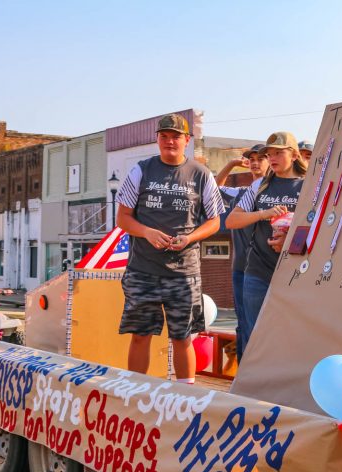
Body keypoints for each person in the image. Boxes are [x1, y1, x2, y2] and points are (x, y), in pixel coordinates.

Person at [116, 113, 224, 381]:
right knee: (140, 336)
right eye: (164, 136)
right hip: (143, 270)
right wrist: (147, 232)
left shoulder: (201, 174)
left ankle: (185, 397)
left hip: (184, 272)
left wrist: (189, 238)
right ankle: (135, 390)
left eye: (176, 136)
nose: (169, 141)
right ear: (157, 139)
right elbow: (122, 218)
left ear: (186, 140)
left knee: (183, 337)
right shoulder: (141, 170)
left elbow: (215, 222)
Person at [226, 132, 306, 353]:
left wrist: (290, 240)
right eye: (269, 154)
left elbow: (320, 226)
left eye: (278, 152)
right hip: (257, 272)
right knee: (254, 338)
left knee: (290, 335)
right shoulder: (260, 184)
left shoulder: (309, 185)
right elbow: (232, 220)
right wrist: (263, 214)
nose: (272, 158)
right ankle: (252, 387)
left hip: (294, 274)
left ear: (295, 155)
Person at [215, 144, 269, 362]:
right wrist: (232, 164)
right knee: (244, 322)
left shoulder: (274, 194)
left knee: (265, 323)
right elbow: (214, 187)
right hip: (240, 268)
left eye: (261, 159)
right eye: (251, 159)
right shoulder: (241, 193)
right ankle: (243, 372)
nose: (255, 163)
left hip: (265, 267)